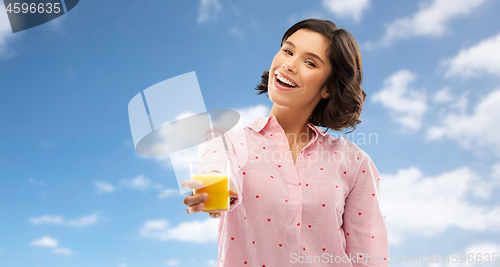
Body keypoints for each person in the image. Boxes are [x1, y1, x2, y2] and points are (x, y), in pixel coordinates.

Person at [182, 18, 389, 266]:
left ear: (329, 88)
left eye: (310, 62)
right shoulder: (228, 142)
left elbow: (369, 257)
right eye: (288, 51)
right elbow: (216, 166)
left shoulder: (354, 163)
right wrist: (217, 188)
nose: (289, 64)